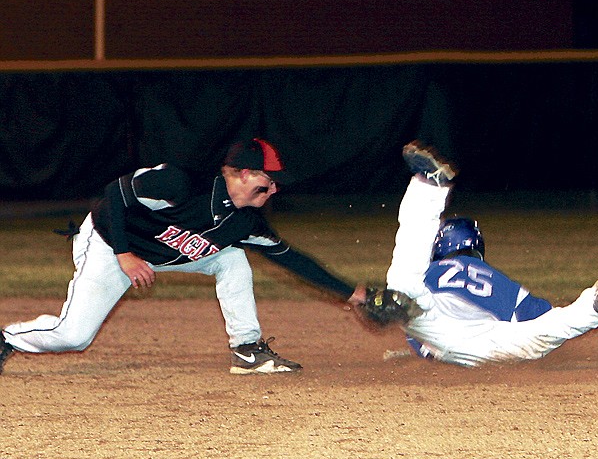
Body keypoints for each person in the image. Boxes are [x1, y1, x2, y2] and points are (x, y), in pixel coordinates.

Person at [0, 138, 364, 375]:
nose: (273, 188)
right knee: (73, 336)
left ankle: (248, 349)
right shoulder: (182, 185)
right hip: (111, 241)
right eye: (268, 180)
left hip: (163, 251)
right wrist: (124, 254)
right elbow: (114, 196)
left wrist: (353, 294)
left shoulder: (244, 222)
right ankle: (8, 338)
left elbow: (291, 257)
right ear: (242, 174)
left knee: (232, 259)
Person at [375, 141, 598, 367]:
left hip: (439, 321)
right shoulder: (495, 277)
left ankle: (428, 186)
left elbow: (421, 339)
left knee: (403, 285)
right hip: (483, 337)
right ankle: (592, 306)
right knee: (538, 336)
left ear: (439, 248)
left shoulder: (433, 270)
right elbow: (538, 315)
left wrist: (421, 350)